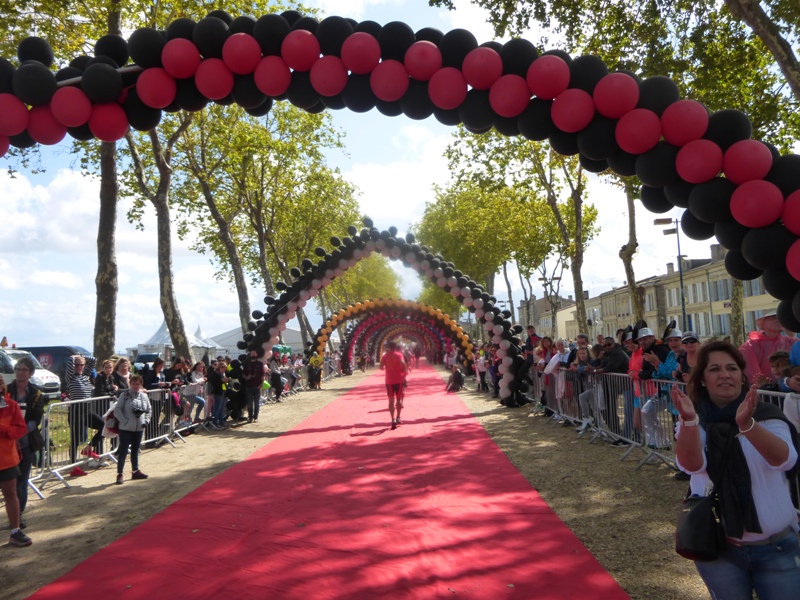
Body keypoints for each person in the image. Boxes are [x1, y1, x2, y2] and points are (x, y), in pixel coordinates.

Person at [671, 340, 800, 599]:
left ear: (742, 375)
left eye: (731, 368)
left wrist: (747, 425)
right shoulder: (694, 418)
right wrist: (689, 421)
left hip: (776, 547)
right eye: (714, 369)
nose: (725, 374)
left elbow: (785, 460)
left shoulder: (765, 413)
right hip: (719, 548)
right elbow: (692, 466)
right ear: (702, 379)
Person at [7, 357, 44, 532]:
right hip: (6, 443)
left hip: (25, 443)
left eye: (24, 370)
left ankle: (18, 515)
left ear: (30, 373)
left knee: (22, 480)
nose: (20, 373)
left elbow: (36, 419)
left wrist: (20, 433)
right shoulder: (6, 391)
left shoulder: (36, 394)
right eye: (18, 369)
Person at [0, 374, 32, 547]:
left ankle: (15, 531)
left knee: (11, 494)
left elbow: (20, 429)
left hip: (6, 459)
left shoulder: (11, 405)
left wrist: (4, 429)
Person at [65, 354, 100, 476]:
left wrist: (81, 356)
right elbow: (70, 361)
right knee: (75, 439)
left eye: (82, 365)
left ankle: (89, 448)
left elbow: (94, 360)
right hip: (77, 410)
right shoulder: (70, 377)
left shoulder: (86, 376)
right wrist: (73, 357)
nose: (79, 367)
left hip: (88, 409)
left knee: (104, 426)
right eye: (77, 365)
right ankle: (73, 467)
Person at [113, 374, 151, 485]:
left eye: (137, 384)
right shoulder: (124, 395)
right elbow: (117, 410)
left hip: (139, 428)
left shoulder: (144, 396)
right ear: (130, 384)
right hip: (125, 428)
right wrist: (124, 421)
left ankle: (135, 471)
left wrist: (146, 421)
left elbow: (149, 410)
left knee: (135, 450)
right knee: (123, 451)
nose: (135, 386)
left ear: (141, 384)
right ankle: (120, 473)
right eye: (133, 384)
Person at [741, 312, 797, 385]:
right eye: (773, 318)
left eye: (780, 318)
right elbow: (751, 372)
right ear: (763, 324)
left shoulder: (790, 341)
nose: (778, 320)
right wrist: (763, 385)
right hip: (762, 389)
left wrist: (792, 333)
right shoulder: (750, 345)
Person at [379, 340, 408, 430]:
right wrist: (404, 372)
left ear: (388, 347)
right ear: (396, 347)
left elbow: (380, 367)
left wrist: (386, 366)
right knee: (399, 399)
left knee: (391, 401)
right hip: (398, 380)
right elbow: (403, 363)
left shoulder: (385, 356)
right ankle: (398, 417)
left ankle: (393, 419)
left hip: (389, 381)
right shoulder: (399, 355)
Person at [243, 351, 265, 422]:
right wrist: (247, 377)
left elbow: (263, 375)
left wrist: (261, 384)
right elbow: (243, 373)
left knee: (256, 402)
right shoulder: (247, 363)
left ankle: (255, 417)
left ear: (257, 354)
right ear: (250, 355)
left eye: (254, 353)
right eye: (252, 353)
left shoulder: (260, 364)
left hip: (257, 385)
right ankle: (250, 417)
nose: (253, 354)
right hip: (248, 386)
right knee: (249, 403)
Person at [208, 359, 230, 429]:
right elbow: (214, 383)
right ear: (220, 367)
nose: (225, 370)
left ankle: (221, 422)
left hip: (223, 391)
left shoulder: (223, 373)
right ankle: (215, 423)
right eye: (224, 368)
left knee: (222, 408)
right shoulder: (215, 373)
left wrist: (227, 380)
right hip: (218, 392)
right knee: (217, 408)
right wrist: (221, 381)